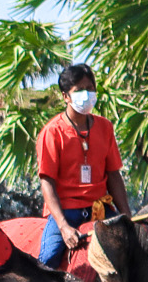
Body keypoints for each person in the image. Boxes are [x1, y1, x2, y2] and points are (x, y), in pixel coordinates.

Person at [34, 63, 130, 268]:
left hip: (100, 207)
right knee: (47, 262)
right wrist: (63, 226)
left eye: (90, 89)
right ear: (65, 96)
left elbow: (114, 175)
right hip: (66, 210)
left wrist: (127, 215)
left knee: (137, 249)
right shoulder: (52, 132)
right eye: (78, 91)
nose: (86, 95)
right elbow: (47, 182)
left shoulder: (105, 127)